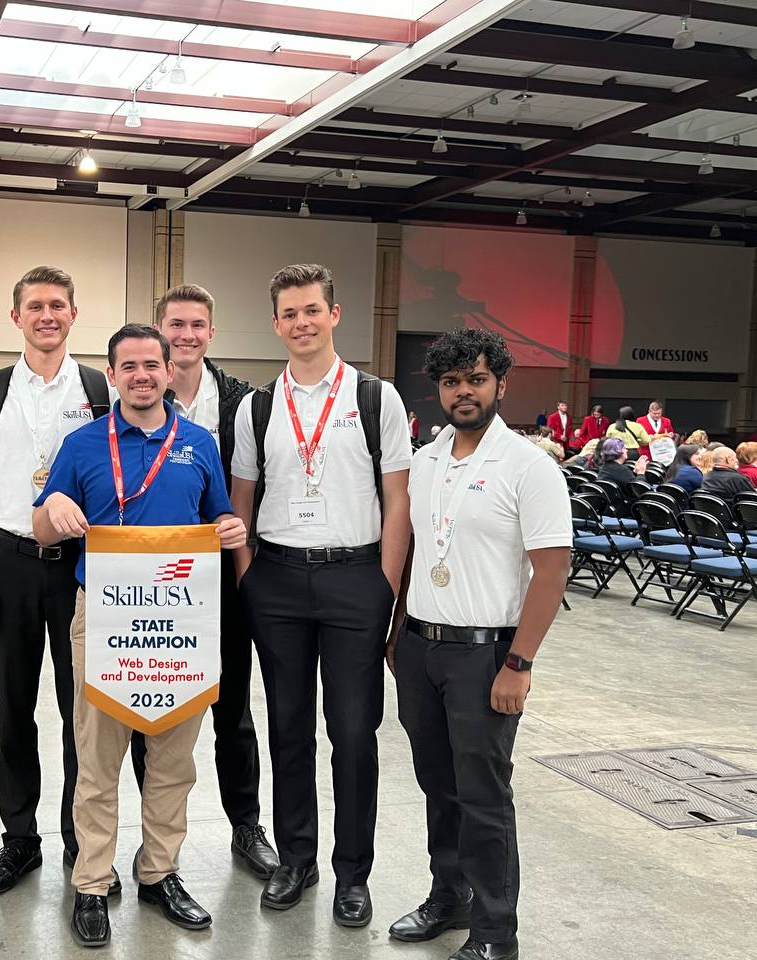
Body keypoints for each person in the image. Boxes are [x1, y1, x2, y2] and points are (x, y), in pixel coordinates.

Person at [34, 323, 246, 947]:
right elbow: (41, 529)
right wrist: (52, 511)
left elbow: (218, 513)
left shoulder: (198, 443)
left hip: (181, 621)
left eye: (152, 364)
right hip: (103, 617)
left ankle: (159, 872)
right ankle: (91, 882)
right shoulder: (81, 445)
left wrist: (230, 526)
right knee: (98, 758)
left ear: (169, 371)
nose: (142, 376)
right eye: (128, 366)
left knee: (173, 760)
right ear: (112, 375)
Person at [230, 264, 412, 920]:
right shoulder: (257, 407)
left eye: (312, 310)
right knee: (288, 729)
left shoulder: (375, 398)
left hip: (355, 579)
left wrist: (384, 585)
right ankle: (296, 859)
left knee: (355, 733)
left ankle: (353, 874)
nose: (302, 322)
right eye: (290, 313)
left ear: (334, 315)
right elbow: (242, 500)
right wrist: (248, 576)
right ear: (275, 324)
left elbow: (398, 500)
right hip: (276, 580)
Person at [385, 328, 570, 960]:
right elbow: (416, 551)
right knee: (437, 785)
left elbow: (552, 573)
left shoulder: (528, 466)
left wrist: (519, 663)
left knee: (483, 795)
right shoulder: (427, 459)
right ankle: (450, 896)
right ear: (438, 389)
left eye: (476, 380)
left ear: (501, 384)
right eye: (451, 381)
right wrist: (397, 634)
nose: (463, 392)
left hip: (485, 655)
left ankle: (495, 933)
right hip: (420, 648)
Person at [0, 266, 112, 896]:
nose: (47, 316)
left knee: (83, 713)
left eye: (57, 306)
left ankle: (82, 843)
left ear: (74, 314)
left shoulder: (99, 389)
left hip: (79, 567)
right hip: (10, 563)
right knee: (14, 707)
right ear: (15, 316)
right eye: (35, 306)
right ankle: (19, 840)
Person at [124, 283, 279, 877]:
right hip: (151, 582)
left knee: (233, 708)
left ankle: (246, 825)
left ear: (211, 332)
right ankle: (155, 840)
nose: (185, 335)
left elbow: (254, 488)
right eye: (175, 324)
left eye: (196, 325)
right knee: (153, 708)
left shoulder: (243, 402)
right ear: (158, 331)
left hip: (220, 579)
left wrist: (246, 572)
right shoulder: (134, 397)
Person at [593, 438, 647, 508]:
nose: (627, 450)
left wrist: (635, 472)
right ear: (617, 451)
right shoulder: (622, 470)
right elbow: (639, 491)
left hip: (611, 507)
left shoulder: (605, 467)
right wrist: (641, 473)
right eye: (624, 448)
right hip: (628, 509)